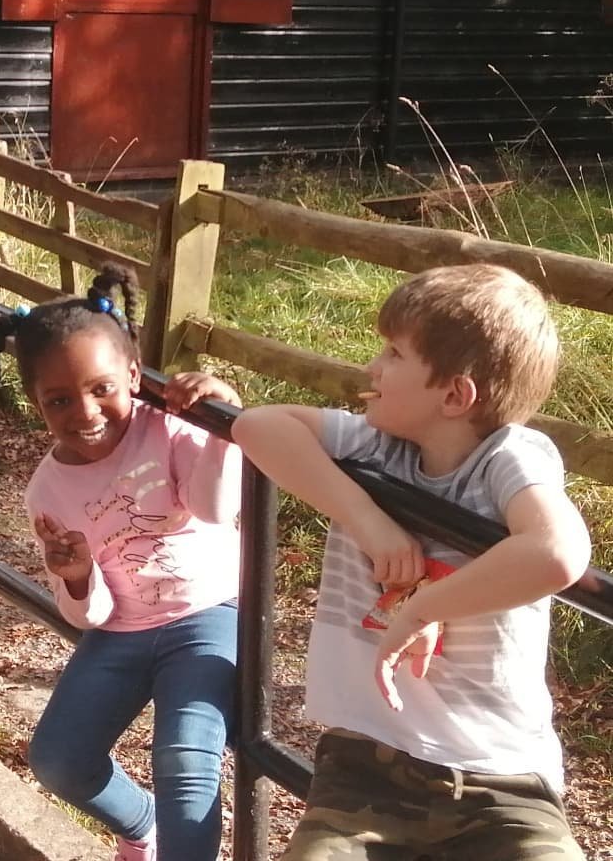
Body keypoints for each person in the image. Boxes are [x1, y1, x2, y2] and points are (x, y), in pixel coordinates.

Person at [231, 263, 592, 860]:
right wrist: (369, 522)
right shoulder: (375, 444)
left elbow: (558, 552)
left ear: (454, 394)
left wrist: (419, 610)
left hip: (500, 784)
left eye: (394, 354)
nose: (372, 368)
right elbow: (257, 424)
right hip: (367, 766)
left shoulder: (507, 458)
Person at [0, 265, 245, 861]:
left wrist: (223, 425)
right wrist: (75, 576)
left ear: (132, 373)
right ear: (36, 400)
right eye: (60, 400)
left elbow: (216, 508)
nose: (86, 412)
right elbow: (87, 614)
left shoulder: (170, 428)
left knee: (185, 760)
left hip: (207, 615)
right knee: (58, 758)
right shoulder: (47, 491)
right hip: (122, 630)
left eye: (102, 389)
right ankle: (139, 823)